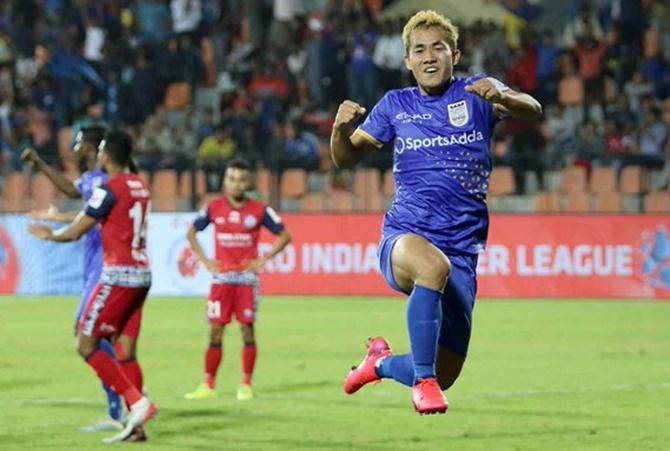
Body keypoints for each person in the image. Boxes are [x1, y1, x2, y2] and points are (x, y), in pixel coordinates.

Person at [330, 10, 542, 415]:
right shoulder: (395, 104)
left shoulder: (479, 94)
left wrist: (505, 97)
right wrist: (339, 130)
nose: (429, 57)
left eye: (438, 48)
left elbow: (533, 109)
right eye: (419, 50)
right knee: (431, 268)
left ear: (455, 54)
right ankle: (423, 384)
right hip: (405, 238)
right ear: (407, 60)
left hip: (462, 252)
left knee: (446, 371)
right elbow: (345, 158)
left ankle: (380, 364)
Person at [29, 131, 157, 443]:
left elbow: (76, 232)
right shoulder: (140, 185)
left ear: (106, 156)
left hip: (118, 275)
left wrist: (52, 235)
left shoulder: (107, 189)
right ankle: (134, 422)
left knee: (86, 343)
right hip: (142, 274)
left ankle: (136, 403)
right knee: (124, 349)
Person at [21, 126, 126, 433]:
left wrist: (56, 230)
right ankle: (121, 401)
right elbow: (71, 192)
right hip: (92, 263)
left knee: (86, 331)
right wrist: (40, 165)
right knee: (95, 335)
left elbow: (94, 216)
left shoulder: (109, 179)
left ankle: (125, 393)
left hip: (106, 264)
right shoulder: (93, 178)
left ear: (92, 146)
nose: (75, 147)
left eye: (79, 143)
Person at [184, 157, 291, 401]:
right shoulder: (213, 208)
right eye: (231, 179)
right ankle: (208, 384)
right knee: (215, 332)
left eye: (241, 179)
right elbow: (191, 232)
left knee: (247, 331)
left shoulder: (259, 210)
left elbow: (285, 235)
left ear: (248, 182)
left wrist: (264, 259)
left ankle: (245, 384)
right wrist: (205, 261)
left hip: (246, 281)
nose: (236, 184)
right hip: (221, 281)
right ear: (225, 180)